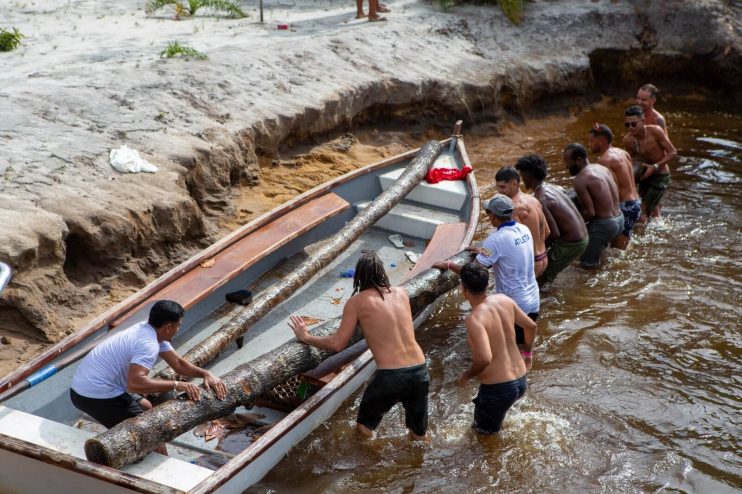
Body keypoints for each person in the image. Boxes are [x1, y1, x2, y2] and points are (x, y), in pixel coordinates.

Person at [289, 251, 429, 441]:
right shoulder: (402, 292)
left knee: (364, 427)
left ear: (359, 277)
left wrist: (306, 336)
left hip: (391, 376)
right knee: (419, 434)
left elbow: (337, 344)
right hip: (420, 370)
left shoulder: (356, 302)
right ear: (383, 273)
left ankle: (374, 460)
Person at [70, 300, 227, 453]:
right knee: (153, 434)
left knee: (145, 406)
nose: (178, 329)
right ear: (168, 327)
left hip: (85, 386)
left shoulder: (150, 331)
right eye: (178, 325)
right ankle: (162, 467)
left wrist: (206, 373)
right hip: (92, 396)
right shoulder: (148, 345)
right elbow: (135, 384)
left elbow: (178, 364)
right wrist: (177, 385)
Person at [452, 262, 537, 434]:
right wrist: (527, 353)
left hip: (498, 389)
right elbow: (531, 326)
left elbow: (484, 358)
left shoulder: (474, 318)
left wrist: (465, 377)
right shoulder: (504, 300)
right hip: (521, 380)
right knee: (488, 429)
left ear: (463, 289)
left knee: (482, 437)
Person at [515, 154, 588, 284]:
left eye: (522, 175)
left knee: (539, 279)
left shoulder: (540, 198)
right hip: (583, 237)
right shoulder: (554, 187)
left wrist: (538, 253)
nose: (522, 180)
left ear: (529, 175)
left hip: (571, 243)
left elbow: (554, 234)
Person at [563, 143, 624, 268]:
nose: (566, 166)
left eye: (568, 162)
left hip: (604, 225)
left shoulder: (580, 179)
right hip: (619, 218)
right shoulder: (603, 168)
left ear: (578, 160)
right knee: (604, 258)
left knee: (587, 266)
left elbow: (590, 213)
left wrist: (571, 227)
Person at [622, 105, 677, 222]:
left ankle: (644, 235)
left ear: (643, 121)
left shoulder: (656, 131)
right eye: (627, 125)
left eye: (634, 124)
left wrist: (655, 166)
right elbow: (629, 160)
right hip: (644, 175)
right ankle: (660, 228)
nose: (630, 128)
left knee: (642, 211)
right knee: (651, 210)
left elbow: (673, 152)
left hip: (661, 175)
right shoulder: (628, 140)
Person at [589, 124, 641, 249]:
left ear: (602, 141)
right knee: (623, 249)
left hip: (625, 207)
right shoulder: (622, 152)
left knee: (618, 253)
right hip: (636, 203)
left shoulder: (604, 160)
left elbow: (612, 190)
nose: (589, 144)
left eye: (592, 141)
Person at [495, 166, 551, 277]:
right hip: (543, 258)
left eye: (503, 187)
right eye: (497, 187)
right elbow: (547, 231)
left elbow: (517, 243)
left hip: (530, 263)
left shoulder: (513, 207)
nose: (499, 192)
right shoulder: (533, 199)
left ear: (514, 184)